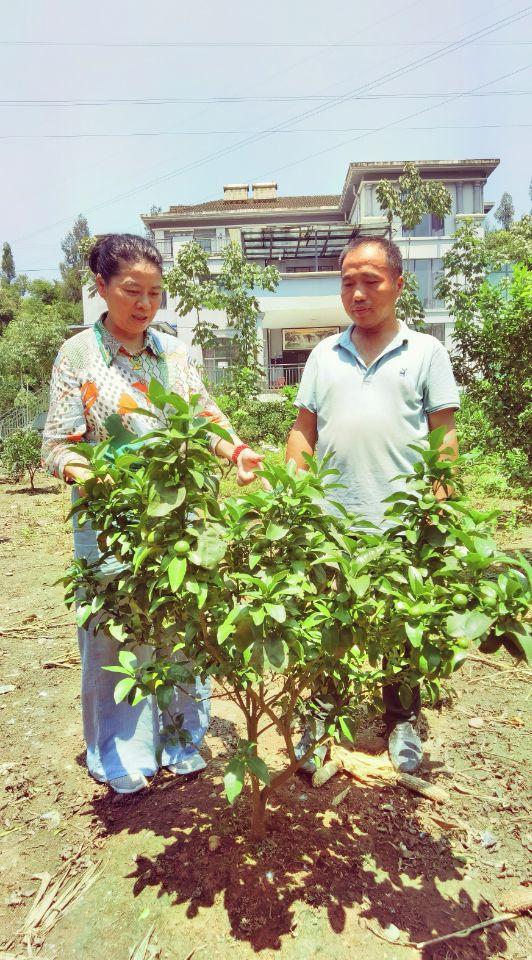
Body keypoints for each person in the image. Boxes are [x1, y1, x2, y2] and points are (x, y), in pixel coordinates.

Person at [42, 233, 262, 794]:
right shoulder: (79, 355)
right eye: (131, 291)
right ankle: (123, 754)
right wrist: (94, 475)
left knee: (180, 625)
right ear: (101, 287)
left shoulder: (174, 353)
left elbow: (203, 415)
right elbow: (58, 446)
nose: (144, 305)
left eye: (155, 293)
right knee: (116, 634)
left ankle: (181, 739)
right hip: (109, 523)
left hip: (178, 519)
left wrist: (236, 451)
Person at [286, 236, 459, 773]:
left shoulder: (426, 352)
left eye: (371, 281)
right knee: (328, 624)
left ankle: (401, 723)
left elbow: (443, 439)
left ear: (398, 285)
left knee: (401, 628)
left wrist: (439, 508)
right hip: (331, 523)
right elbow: (302, 433)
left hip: (402, 521)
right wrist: (293, 500)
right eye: (348, 282)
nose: (358, 293)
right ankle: (322, 716)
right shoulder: (322, 354)